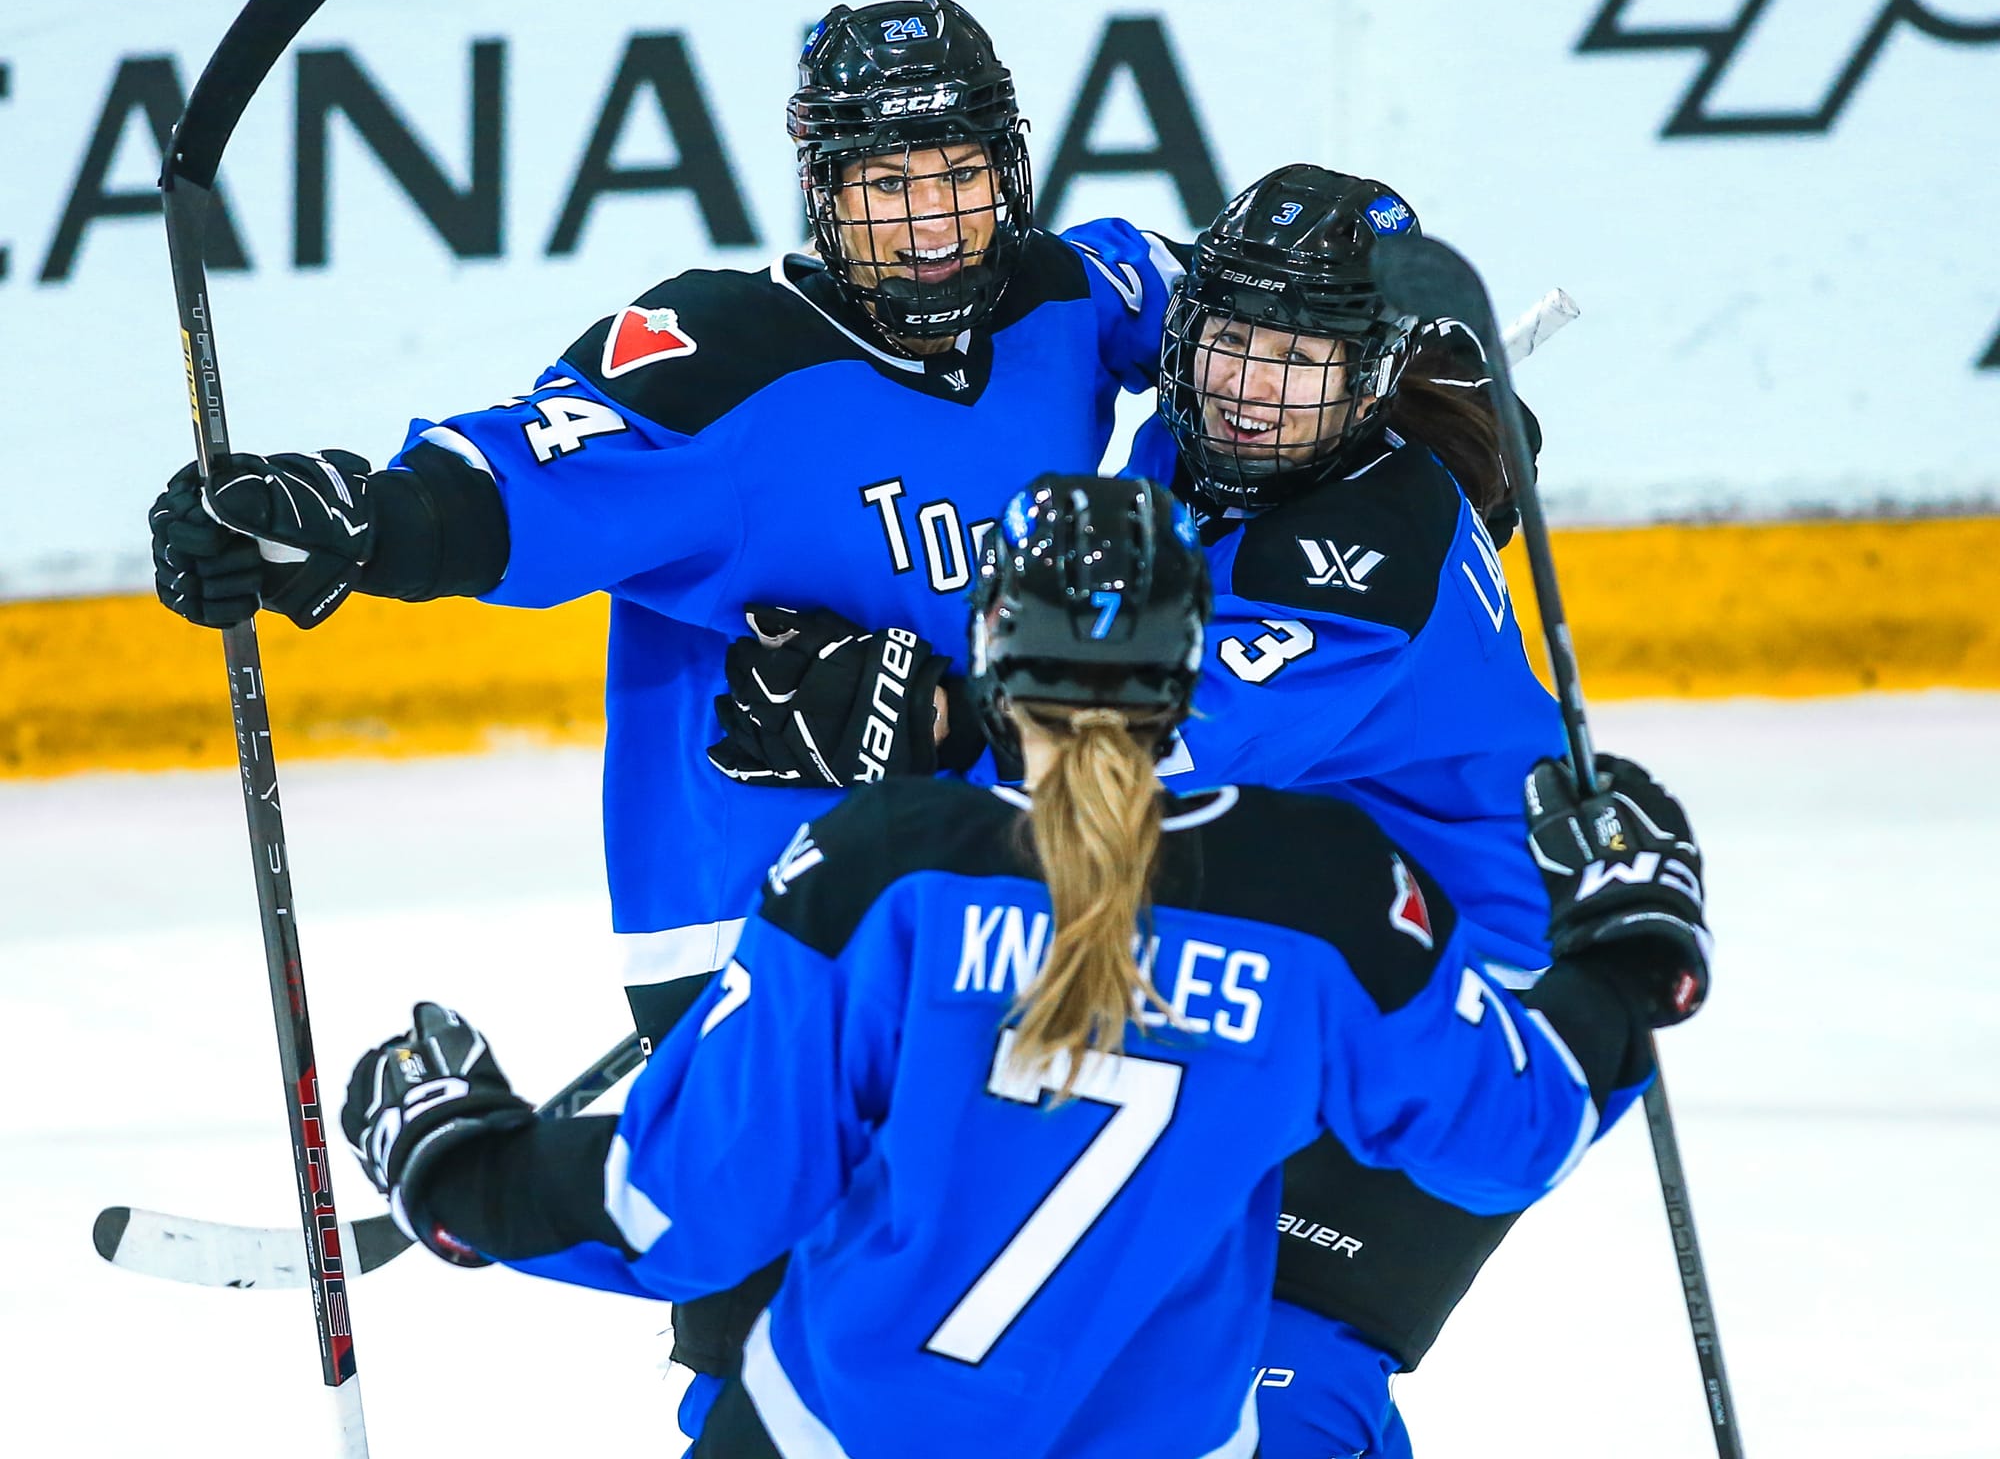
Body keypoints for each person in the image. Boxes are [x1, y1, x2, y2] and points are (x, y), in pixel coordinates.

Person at [144, 0, 1188, 1405]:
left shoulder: (1068, 300)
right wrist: (342, 522)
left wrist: (1412, 368)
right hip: (762, 933)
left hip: (1023, 895)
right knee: (770, 1355)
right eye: (887, 188)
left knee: (1012, 1337)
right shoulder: (720, 356)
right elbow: (504, 484)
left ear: (1011, 169)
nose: (932, 223)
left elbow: (1224, 311)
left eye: (958, 179)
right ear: (823, 189)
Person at [339, 474, 1708, 1459]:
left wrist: (463, 1170)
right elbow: (1509, 1138)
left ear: (991, 664)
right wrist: (1633, 955)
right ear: (1188, 671)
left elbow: (680, 1213)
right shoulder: (1332, 894)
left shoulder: (885, 869)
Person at [703, 167, 1700, 1455]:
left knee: (1283, 1365)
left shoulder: (1364, 557)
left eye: (1297, 358)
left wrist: (933, 717)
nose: (1246, 382)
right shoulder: (1225, 443)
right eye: (1230, 335)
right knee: (1106, 1328)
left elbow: (1124, 748)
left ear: (1371, 377)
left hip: (1441, 989)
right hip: (1280, 933)